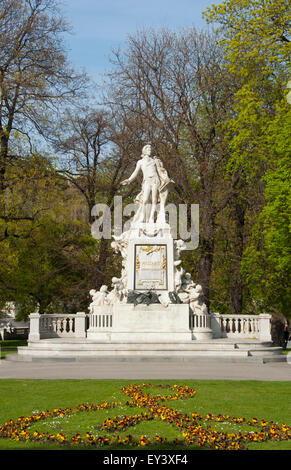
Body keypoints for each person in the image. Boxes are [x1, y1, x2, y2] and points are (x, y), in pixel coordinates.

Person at [121, 144, 174, 224]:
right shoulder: (140, 162)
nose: (150, 151)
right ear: (144, 151)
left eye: (150, 150)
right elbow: (135, 172)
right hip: (147, 181)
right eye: (148, 150)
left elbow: (160, 170)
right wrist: (129, 180)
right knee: (145, 200)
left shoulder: (154, 161)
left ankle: (151, 218)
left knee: (154, 200)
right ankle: (142, 217)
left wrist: (166, 178)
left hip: (155, 180)